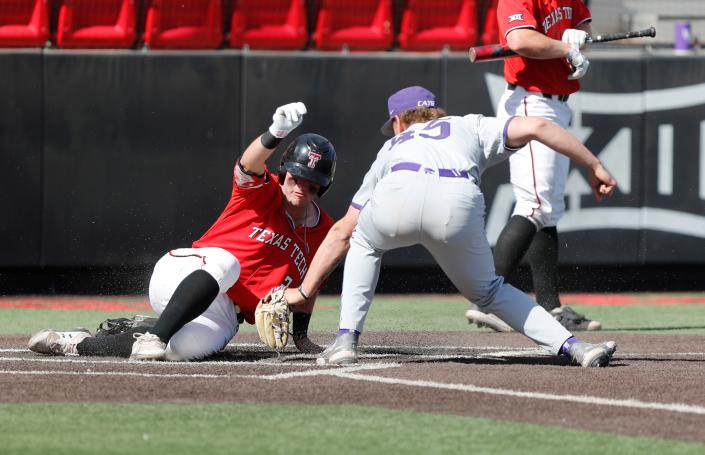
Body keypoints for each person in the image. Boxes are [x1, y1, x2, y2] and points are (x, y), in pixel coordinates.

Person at [282, 85, 617, 368]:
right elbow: (541, 127)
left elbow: (341, 232)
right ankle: (577, 348)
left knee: (364, 242)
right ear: (436, 113)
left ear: (399, 121)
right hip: (457, 199)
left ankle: (345, 341)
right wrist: (594, 165)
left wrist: (303, 291)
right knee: (489, 292)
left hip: (400, 189)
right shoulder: (468, 125)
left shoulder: (392, 146)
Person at [28, 102, 336, 361]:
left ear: (322, 187)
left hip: (226, 311)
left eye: (311, 184)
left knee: (180, 351)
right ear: (285, 171)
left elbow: (312, 285)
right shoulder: (261, 191)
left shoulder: (324, 231)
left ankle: (79, 342)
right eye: (296, 177)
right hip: (187, 271)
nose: (300, 187)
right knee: (227, 264)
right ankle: (157, 334)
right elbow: (248, 163)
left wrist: (301, 336)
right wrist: (275, 134)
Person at [465, 0, 600, 333]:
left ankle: (550, 306)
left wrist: (578, 38)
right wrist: (566, 48)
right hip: (531, 101)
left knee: (548, 208)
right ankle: (486, 300)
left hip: (557, 103)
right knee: (536, 204)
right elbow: (521, 40)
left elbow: (583, 27)